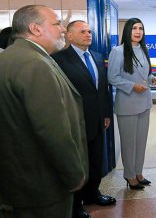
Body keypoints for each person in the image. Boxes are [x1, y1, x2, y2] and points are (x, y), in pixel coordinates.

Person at [0, 5, 88, 218]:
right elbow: (51, 131)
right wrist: (74, 176)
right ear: (35, 29)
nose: (63, 30)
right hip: (43, 185)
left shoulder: (13, 57)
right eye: (57, 23)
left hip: (19, 179)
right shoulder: (34, 64)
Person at [52, 20, 116, 218]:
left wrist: (106, 114)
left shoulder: (97, 57)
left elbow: (103, 89)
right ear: (69, 36)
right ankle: (75, 204)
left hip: (97, 121)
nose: (88, 34)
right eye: (83, 31)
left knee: (96, 161)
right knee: (78, 164)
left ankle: (92, 194)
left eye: (89, 31)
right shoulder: (58, 60)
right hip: (75, 122)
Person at [108, 18, 156, 190]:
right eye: (134, 28)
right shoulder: (118, 51)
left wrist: (154, 79)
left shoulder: (144, 50)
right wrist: (132, 86)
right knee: (129, 143)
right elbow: (113, 77)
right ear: (127, 31)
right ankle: (129, 176)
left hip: (144, 102)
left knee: (140, 142)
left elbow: (145, 76)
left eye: (141, 29)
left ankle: (138, 172)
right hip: (127, 104)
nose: (138, 32)